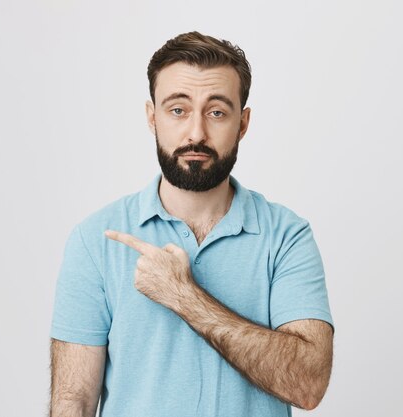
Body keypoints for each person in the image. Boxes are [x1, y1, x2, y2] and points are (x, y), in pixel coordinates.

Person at [48, 30, 334, 417]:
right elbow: (73, 402)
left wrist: (183, 296)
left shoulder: (286, 236)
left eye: (216, 112)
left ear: (243, 124)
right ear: (153, 117)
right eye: (178, 110)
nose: (196, 132)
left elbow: (308, 384)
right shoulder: (95, 239)